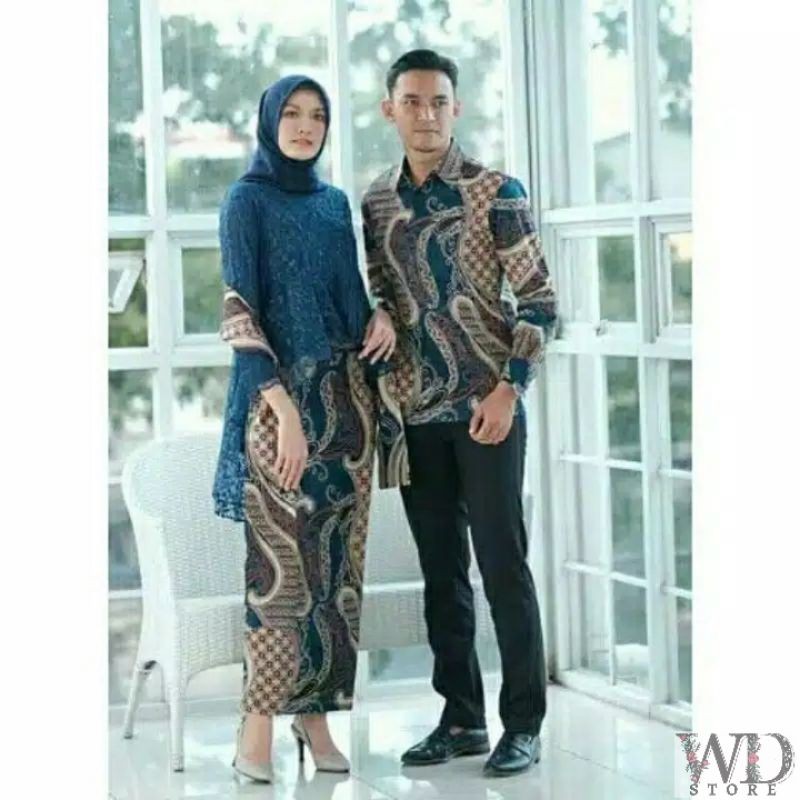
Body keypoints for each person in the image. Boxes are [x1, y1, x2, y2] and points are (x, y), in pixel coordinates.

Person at [361, 49, 558, 778]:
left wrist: (510, 391)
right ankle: (462, 718)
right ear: (390, 110)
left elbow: (541, 302)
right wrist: (381, 313)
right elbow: (381, 289)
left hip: (487, 409)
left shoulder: (496, 191)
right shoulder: (375, 202)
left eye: (439, 101)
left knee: (503, 567)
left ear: (457, 108)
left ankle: (523, 724)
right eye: (412, 101)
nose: (427, 114)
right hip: (416, 412)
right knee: (441, 573)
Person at [212, 74, 396, 784]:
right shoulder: (246, 200)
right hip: (274, 408)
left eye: (317, 115)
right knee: (279, 574)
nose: (304, 126)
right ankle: (256, 725)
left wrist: (379, 318)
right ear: (269, 121)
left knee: (335, 574)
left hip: (346, 407)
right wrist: (284, 411)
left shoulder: (333, 203)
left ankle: (315, 718)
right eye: (291, 113)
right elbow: (240, 309)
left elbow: (350, 301)